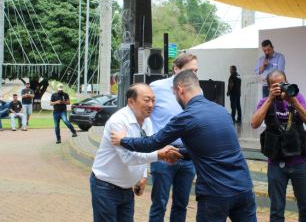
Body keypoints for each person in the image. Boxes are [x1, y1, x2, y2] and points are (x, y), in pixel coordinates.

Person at [112, 70, 257, 222]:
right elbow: (210, 148)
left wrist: (123, 140)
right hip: (244, 188)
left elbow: (151, 143)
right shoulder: (222, 111)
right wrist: (177, 152)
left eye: (174, 94)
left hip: (215, 193)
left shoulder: (186, 117)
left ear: (179, 90)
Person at [91, 83, 182, 222]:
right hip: (106, 188)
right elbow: (128, 158)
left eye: (153, 100)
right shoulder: (118, 122)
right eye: (146, 100)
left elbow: (147, 148)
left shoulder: (147, 122)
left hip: (127, 189)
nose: (151, 104)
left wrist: (143, 175)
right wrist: (159, 154)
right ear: (131, 102)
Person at [250, 70, 306, 222]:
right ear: (269, 87)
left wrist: (294, 102)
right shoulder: (265, 102)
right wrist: (269, 99)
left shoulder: (296, 97)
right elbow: (254, 123)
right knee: (276, 210)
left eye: (282, 83)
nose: (280, 87)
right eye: (275, 85)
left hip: (300, 162)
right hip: (276, 163)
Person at [144, 53, 197, 222]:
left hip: (188, 156)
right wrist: (154, 146)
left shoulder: (196, 91)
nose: (194, 75)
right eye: (190, 70)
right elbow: (144, 116)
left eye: (196, 70)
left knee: (181, 204)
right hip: (164, 155)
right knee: (159, 202)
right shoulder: (156, 88)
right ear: (176, 69)